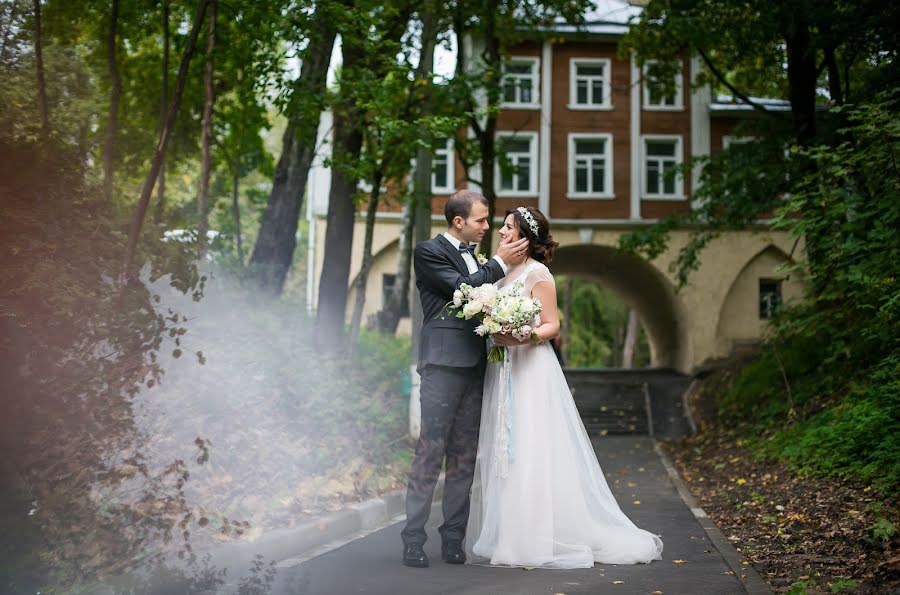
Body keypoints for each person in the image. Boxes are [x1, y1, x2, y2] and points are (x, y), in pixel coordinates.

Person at [465, 206, 664, 569]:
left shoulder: (537, 273)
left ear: (525, 237)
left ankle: (539, 538)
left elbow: (552, 325)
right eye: (503, 227)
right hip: (503, 367)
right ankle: (512, 538)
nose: (502, 233)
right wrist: (496, 332)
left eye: (509, 228)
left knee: (530, 446)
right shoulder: (498, 274)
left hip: (531, 368)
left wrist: (522, 335)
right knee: (505, 450)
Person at [401, 190, 529, 568]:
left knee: (464, 458)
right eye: (481, 221)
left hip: (476, 367)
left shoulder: (475, 258)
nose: (487, 227)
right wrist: (499, 263)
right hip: (442, 366)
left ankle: (453, 539)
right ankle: (412, 540)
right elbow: (464, 291)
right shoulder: (428, 252)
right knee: (431, 450)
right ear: (459, 222)